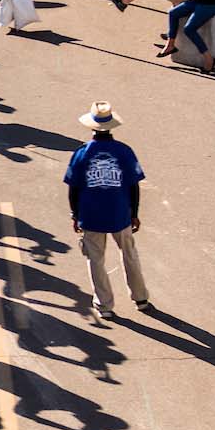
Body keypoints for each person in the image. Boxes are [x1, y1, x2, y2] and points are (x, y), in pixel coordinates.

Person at [64, 101, 151, 320]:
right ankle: (140, 298)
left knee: (95, 260)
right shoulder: (124, 151)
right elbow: (134, 185)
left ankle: (104, 304)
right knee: (129, 254)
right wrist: (134, 213)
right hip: (120, 213)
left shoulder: (81, 154)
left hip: (91, 216)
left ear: (91, 127)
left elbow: (73, 189)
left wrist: (75, 215)